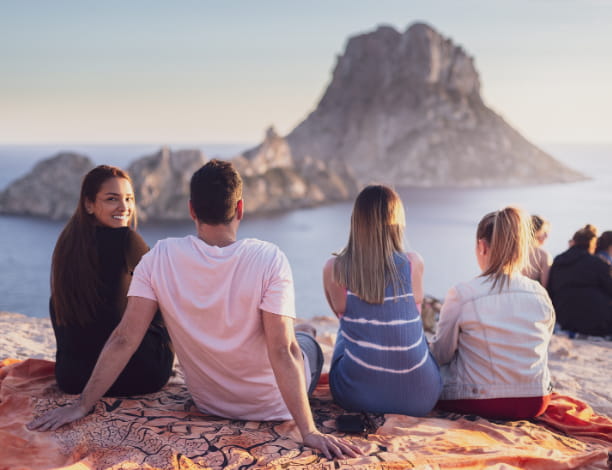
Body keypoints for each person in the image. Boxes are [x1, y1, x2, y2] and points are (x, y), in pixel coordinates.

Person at [29, 159, 360, 460]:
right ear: (240, 209)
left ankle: (306, 334)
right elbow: (281, 349)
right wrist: (309, 431)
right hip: (275, 405)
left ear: (191, 210)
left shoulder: (159, 257)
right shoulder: (269, 258)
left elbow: (124, 338)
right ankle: (309, 335)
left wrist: (84, 404)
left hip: (210, 403)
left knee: (297, 339)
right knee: (302, 345)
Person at [49, 165, 173, 395]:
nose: (124, 207)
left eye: (129, 199)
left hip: (72, 378)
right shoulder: (128, 241)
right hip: (138, 374)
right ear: (89, 204)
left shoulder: (67, 245)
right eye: (111, 199)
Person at [323, 185, 442, 416]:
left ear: (356, 222)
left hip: (356, 396)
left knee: (345, 330)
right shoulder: (413, 263)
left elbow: (339, 314)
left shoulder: (334, 269)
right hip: (422, 397)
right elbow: (414, 310)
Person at [431, 207, 555, 420]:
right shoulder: (540, 293)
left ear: (482, 246)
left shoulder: (463, 293)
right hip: (536, 399)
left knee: (431, 371)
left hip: (482, 400)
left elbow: (442, 354)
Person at [547, 225, 612, 337]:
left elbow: (550, 290)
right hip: (595, 321)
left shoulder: (558, 261)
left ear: (575, 241)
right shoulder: (597, 263)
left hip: (564, 319)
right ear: (592, 243)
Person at [522, 214, 552, 287]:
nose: (547, 236)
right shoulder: (543, 255)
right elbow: (545, 287)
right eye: (544, 232)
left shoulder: (512, 252)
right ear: (536, 232)